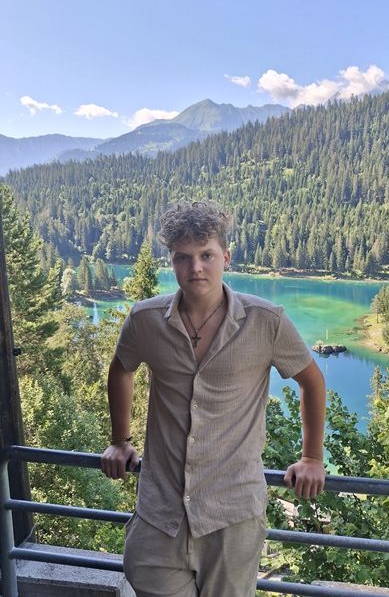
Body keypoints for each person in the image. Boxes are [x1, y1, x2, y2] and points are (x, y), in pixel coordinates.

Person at [101, 200, 326, 597]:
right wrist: (120, 441)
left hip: (232, 516)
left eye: (206, 255)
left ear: (226, 256)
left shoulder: (266, 321)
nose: (196, 268)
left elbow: (311, 381)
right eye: (183, 258)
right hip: (160, 516)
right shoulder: (145, 320)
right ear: (172, 262)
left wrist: (312, 457)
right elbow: (121, 369)